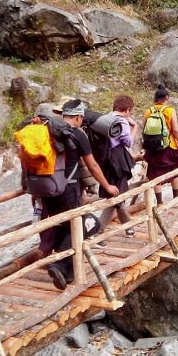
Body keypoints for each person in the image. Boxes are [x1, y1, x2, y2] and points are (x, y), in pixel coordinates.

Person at [42, 99, 120, 290]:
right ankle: (59, 264)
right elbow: (92, 165)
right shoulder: (77, 134)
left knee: (62, 227)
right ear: (78, 117)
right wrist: (107, 186)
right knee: (89, 224)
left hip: (47, 189)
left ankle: (67, 274)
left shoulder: (47, 131)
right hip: (68, 189)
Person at [98, 95, 137, 235]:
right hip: (118, 162)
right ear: (127, 110)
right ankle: (98, 232)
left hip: (104, 161)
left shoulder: (104, 119)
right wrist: (135, 127)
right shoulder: (122, 122)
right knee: (116, 197)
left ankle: (129, 228)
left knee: (117, 194)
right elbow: (128, 142)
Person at [143, 85, 178, 204]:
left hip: (153, 149)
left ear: (155, 98)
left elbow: (144, 131)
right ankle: (176, 198)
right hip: (169, 146)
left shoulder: (148, 111)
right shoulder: (169, 110)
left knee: (155, 176)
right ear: (166, 97)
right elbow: (176, 130)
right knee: (174, 172)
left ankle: (160, 203)